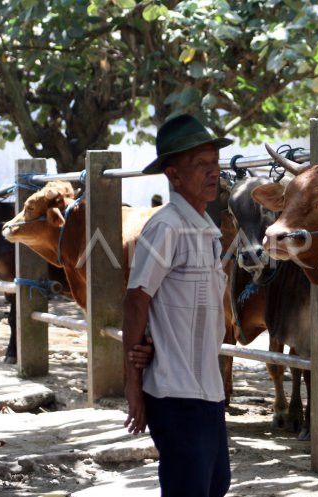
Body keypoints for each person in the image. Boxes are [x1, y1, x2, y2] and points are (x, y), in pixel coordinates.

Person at [123, 113, 232, 497]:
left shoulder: (207, 232)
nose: (213, 172)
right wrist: (133, 385)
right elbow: (136, 301)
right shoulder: (166, 227)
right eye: (201, 165)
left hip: (209, 391)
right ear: (174, 175)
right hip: (174, 391)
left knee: (216, 485)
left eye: (214, 163)